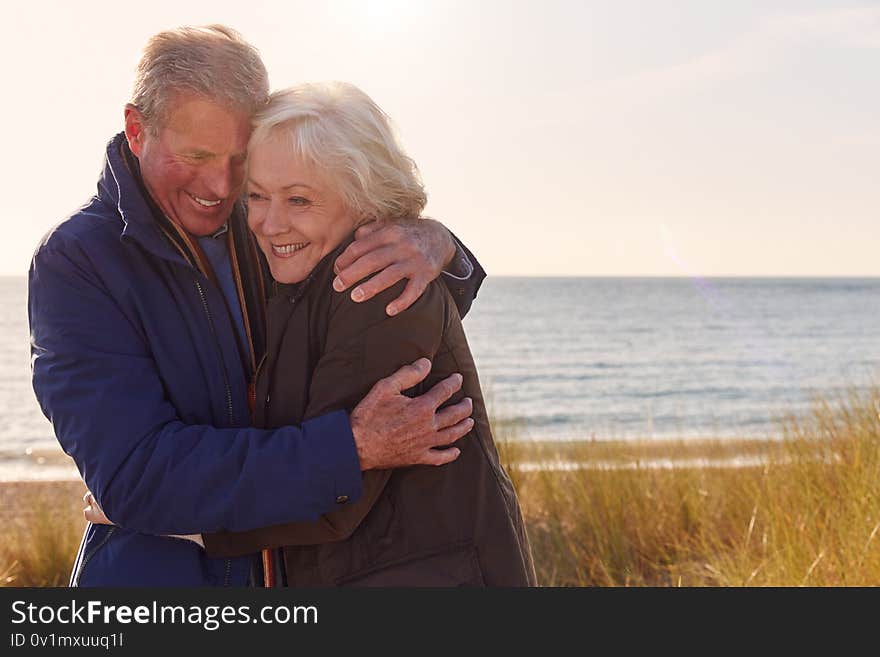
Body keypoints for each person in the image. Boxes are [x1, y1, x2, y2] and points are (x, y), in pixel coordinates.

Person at [28, 25, 484, 587]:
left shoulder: (263, 218)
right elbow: (137, 476)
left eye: (238, 161)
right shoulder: (77, 262)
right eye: (196, 155)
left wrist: (436, 241)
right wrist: (350, 449)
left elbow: (366, 316)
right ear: (137, 130)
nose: (220, 187)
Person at [196, 82, 536, 585]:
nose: (269, 223)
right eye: (257, 196)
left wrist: (172, 517)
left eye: (299, 200)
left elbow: (332, 498)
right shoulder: (298, 271)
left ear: (364, 200)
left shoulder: (379, 283)